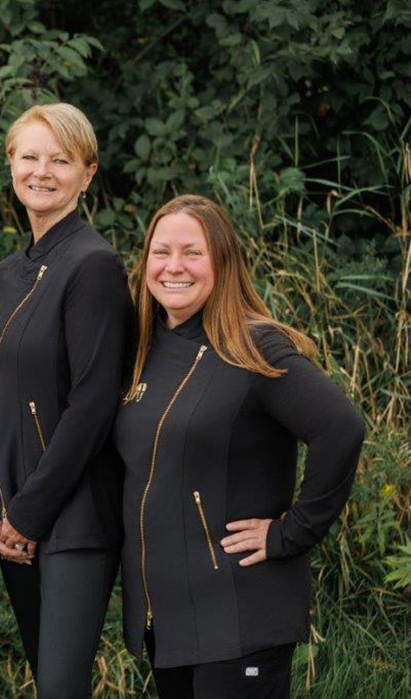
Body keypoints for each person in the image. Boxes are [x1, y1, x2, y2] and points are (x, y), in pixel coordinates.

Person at [114, 194, 365, 698]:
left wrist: (290, 533)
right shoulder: (144, 348)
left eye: (193, 252)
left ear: (223, 262)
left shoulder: (253, 345)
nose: (173, 267)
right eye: (161, 252)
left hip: (239, 617)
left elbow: (341, 429)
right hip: (169, 623)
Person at [0, 103, 132, 697]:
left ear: (86, 174)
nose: (42, 171)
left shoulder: (93, 266)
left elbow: (93, 403)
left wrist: (28, 514)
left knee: (60, 686)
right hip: (10, 521)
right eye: (29, 156)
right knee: (47, 679)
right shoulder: (3, 276)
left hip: (72, 517)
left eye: (60, 160)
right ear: (10, 164)